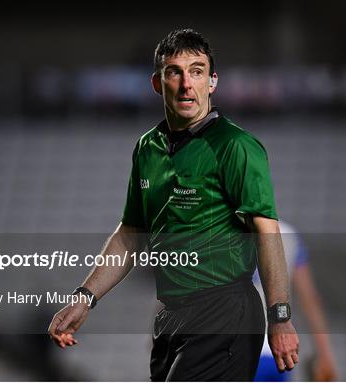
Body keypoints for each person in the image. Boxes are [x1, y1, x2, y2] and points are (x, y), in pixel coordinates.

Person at [48, 28, 299, 381]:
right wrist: (84, 297)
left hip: (224, 312)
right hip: (170, 316)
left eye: (196, 72)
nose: (186, 84)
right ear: (156, 83)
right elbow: (132, 233)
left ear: (212, 82)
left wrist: (281, 317)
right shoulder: (147, 148)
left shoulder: (235, 145)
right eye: (174, 72)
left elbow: (265, 230)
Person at [253, 221, 337, 381]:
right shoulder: (289, 235)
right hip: (280, 351)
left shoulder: (228, 229)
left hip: (243, 350)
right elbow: (310, 299)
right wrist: (325, 353)